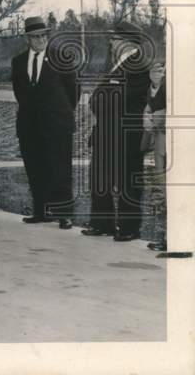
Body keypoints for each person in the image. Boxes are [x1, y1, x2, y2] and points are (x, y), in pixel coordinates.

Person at [82, 21, 154, 242]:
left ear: (126, 42)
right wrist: (99, 100)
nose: (111, 43)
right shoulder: (118, 64)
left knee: (126, 183)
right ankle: (102, 223)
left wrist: (99, 100)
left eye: (114, 39)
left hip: (126, 136)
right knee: (100, 179)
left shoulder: (138, 65)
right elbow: (99, 98)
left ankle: (129, 228)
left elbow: (120, 100)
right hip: (106, 133)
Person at [11, 16, 78, 229]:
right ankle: (40, 211)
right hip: (30, 125)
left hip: (56, 124)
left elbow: (73, 91)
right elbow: (19, 92)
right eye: (35, 36)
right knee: (35, 168)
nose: (40, 40)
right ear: (26, 39)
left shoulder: (62, 57)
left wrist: (60, 113)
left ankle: (63, 214)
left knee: (60, 169)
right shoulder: (18, 61)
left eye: (43, 35)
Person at [143, 62, 167, 252]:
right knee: (163, 189)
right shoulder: (165, 76)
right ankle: (166, 237)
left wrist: (156, 116)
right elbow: (153, 105)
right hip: (162, 141)